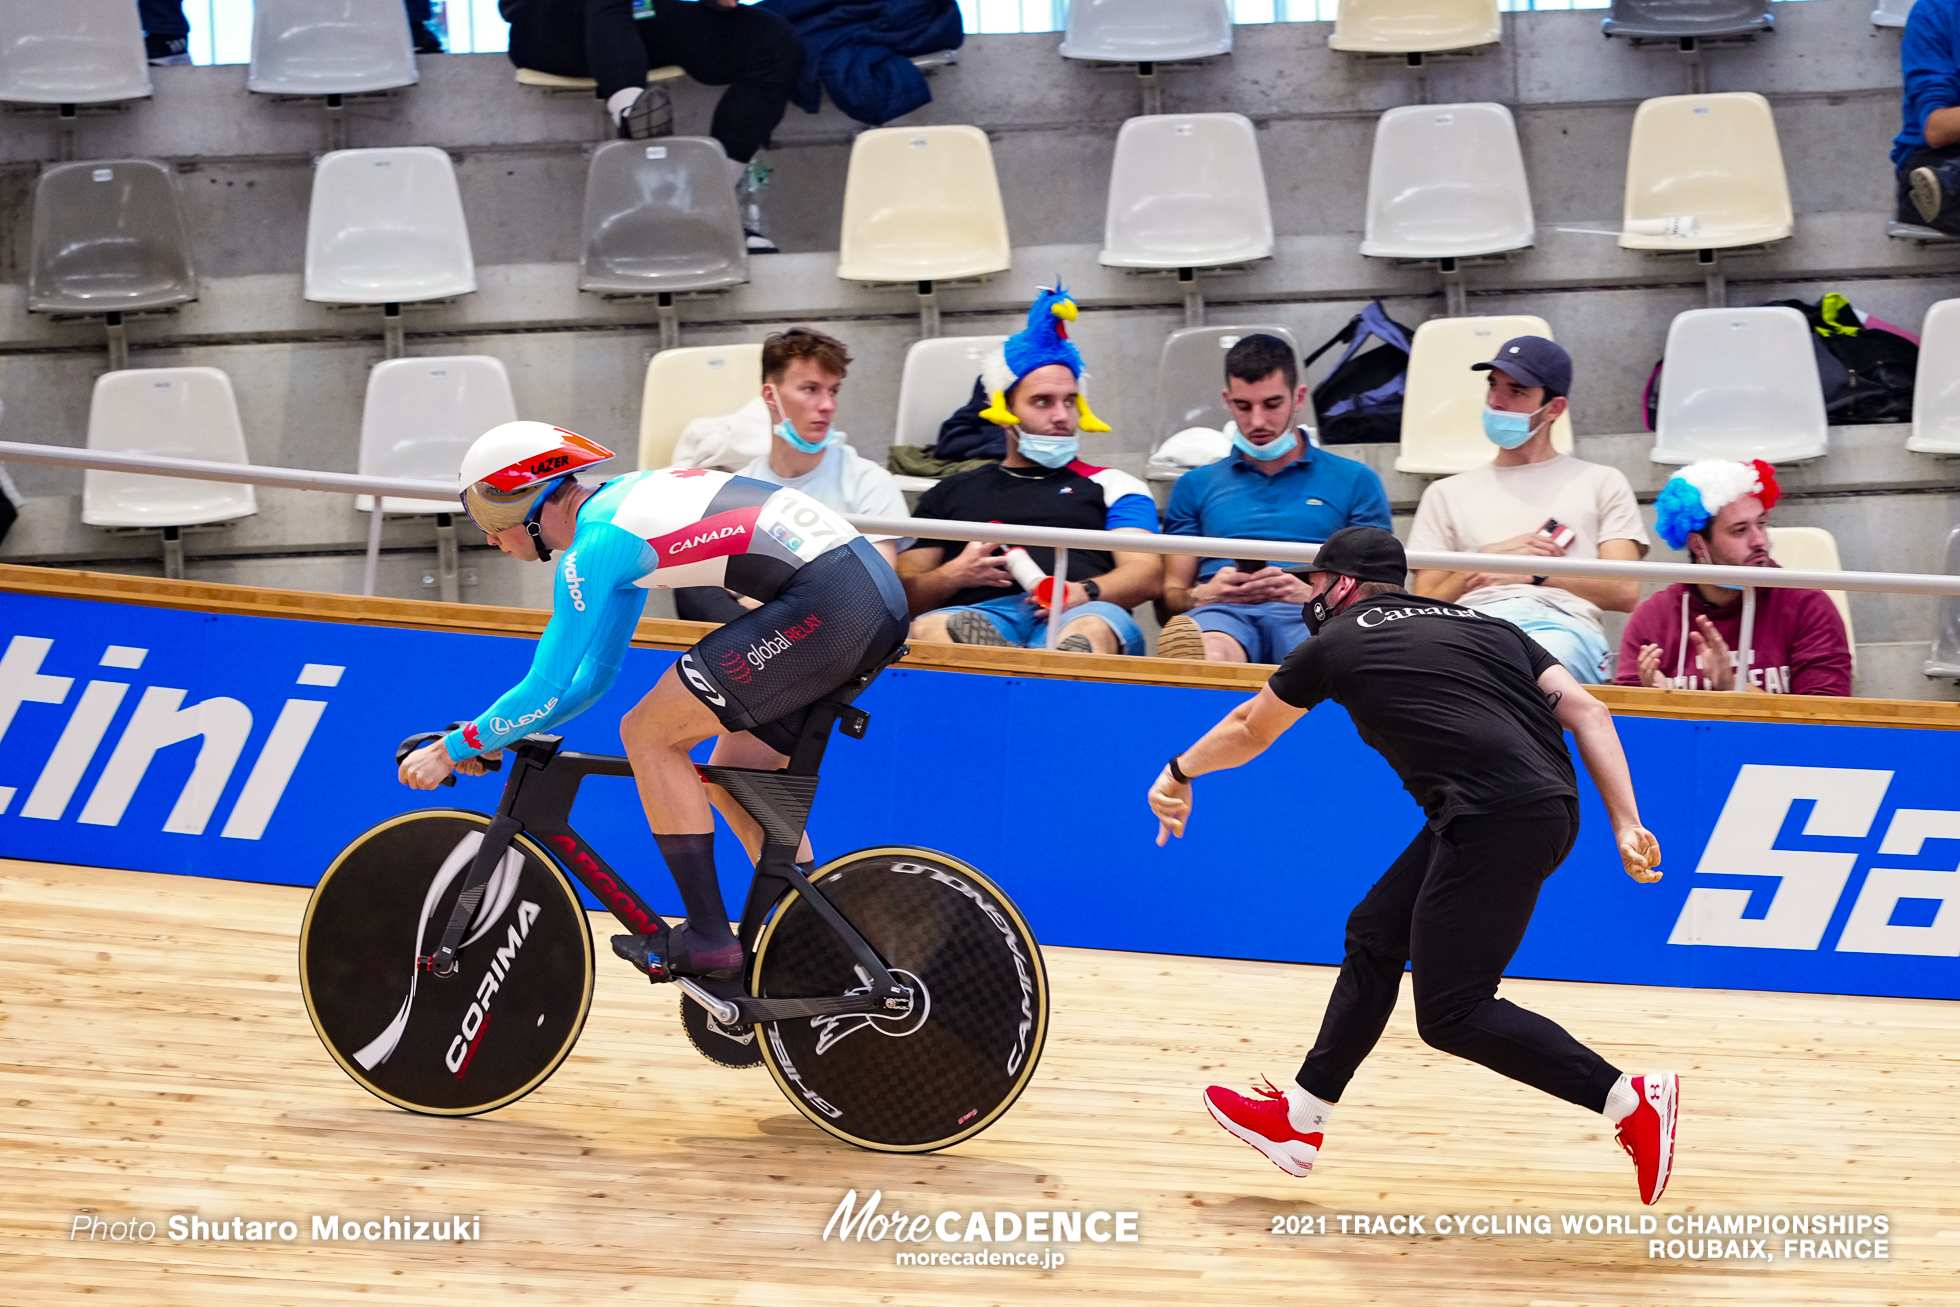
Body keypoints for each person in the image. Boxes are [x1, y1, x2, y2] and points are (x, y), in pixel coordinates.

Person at [1147, 526, 1680, 1206]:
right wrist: (1627, 821)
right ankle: (1299, 1122)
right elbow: (1589, 709)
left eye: (1315, 583)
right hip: (1530, 808)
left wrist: (1179, 770)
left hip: (1496, 818)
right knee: (1374, 931)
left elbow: (1252, 726)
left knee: (1453, 1010)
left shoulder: (1336, 641)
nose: (1310, 596)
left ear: (1341, 584)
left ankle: (1629, 1099)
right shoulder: (1488, 626)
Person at [397, 420, 909, 983]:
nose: (491, 538)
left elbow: (546, 686)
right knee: (735, 770)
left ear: (528, 495)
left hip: (833, 603)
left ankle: (711, 939)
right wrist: (498, 732)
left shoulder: (596, 547)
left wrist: (451, 750)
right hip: (859, 596)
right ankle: (814, 931)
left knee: (648, 733)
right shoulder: (617, 515)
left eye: (490, 519)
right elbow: (592, 679)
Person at [900, 287, 1161, 656]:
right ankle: (1000, 665)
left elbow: (1147, 573)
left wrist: (1079, 592)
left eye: (1070, 401)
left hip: (1082, 609)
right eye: (1042, 402)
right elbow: (902, 592)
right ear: (1003, 409)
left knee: (1089, 632)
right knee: (928, 629)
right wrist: (954, 574)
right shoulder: (951, 492)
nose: (1061, 416)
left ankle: (1041, 669)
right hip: (979, 612)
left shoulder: (1115, 485)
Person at [1406, 336, 1648, 684]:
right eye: (1493, 386)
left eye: (1516, 391)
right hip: (1472, 626)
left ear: (1554, 408)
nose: (1496, 402)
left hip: (1563, 627)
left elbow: (1623, 591)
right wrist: (1485, 562)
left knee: (1530, 670)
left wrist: (1532, 573)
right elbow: (1425, 602)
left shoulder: (1602, 481)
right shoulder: (1444, 493)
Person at [1157, 333, 1392, 663]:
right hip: (1222, 614)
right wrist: (1202, 594)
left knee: (1322, 657)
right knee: (1210, 653)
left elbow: (1382, 588)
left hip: (1317, 614)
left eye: (1272, 404)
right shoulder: (1193, 485)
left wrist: (1316, 596)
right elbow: (1170, 596)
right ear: (1228, 400)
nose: (1257, 421)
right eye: (1243, 406)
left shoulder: (1356, 480)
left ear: (1298, 399)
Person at [501, 0, 802, 249]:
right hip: (548, 27)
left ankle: (709, 206)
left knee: (772, 39)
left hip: (636, 17)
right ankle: (632, 112)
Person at [673, 327, 910, 624]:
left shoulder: (868, 481)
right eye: (810, 389)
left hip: (825, 630)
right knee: (686, 576)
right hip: (742, 629)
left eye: (833, 390)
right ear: (770, 396)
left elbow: (876, 585)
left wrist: (778, 599)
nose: (827, 405)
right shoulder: (736, 490)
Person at [1617, 459, 1852, 695]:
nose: (1759, 540)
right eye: (1740, 530)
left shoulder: (1809, 607)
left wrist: (1733, 687)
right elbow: (1621, 721)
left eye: (1761, 524)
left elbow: (1823, 723)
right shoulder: (1653, 619)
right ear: (1698, 545)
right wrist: (1654, 703)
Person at [1894, 0, 1960, 233]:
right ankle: (1945, 185)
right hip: (1935, 160)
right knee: (1931, 188)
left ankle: (1949, 186)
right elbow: (1936, 128)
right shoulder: (1935, 10)